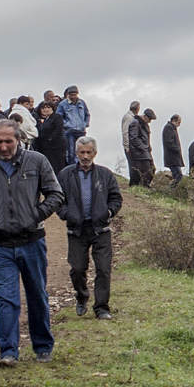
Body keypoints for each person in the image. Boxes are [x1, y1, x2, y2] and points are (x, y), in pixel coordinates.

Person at [0, 114, 64, 366]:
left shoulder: (37, 162)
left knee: (37, 295)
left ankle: (43, 347)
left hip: (32, 242)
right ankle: (8, 352)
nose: (2, 146)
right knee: (7, 299)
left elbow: (55, 194)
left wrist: (36, 215)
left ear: (18, 139)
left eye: (7, 141)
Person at [59, 136, 123, 319]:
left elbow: (116, 198)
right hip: (76, 230)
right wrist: (66, 214)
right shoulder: (65, 175)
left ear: (95, 153)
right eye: (82, 152)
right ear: (76, 153)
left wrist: (108, 212)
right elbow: (56, 199)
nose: (85, 156)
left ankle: (102, 307)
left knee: (103, 269)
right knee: (77, 268)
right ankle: (81, 296)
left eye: (88, 152)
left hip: (100, 229)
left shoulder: (105, 174)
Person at [124, 103, 155, 187]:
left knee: (151, 169)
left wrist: (148, 147)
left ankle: (144, 186)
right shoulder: (135, 123)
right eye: (149, 119)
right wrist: (143, 147)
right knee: (145, 170)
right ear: (145, 116)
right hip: (138, 153)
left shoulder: (144, 125)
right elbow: (133, 138)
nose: (150, 121)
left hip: (144, 151)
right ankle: (142, 187)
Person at [163, 114, 185, 185]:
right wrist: (177, 149)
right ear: (174, 121)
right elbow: (169, 142)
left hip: (174, 158)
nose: (179, 125)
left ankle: (172, 191)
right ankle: (169, 191)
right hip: (172, 158)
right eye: (179, 122)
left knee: (178, 176)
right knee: (178, 177)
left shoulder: (172, 128)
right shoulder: (169, 128)